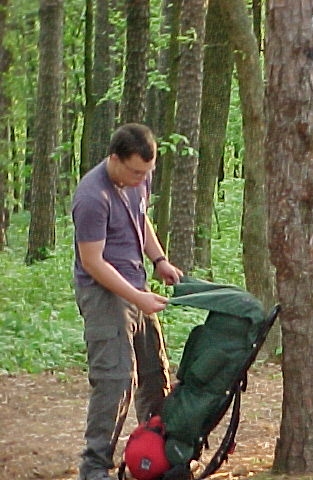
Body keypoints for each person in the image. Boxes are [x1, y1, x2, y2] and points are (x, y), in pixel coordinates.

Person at [72, 123, 183, 480]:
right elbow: (92, 262)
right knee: (116, 378)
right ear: (115, 159)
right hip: (104, 293)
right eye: (135, 172)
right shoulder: (92, 197)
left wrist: (159, 260)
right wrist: (137, 298)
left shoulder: (138, 181)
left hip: (137, 286)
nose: (141, 179)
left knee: (154, 373)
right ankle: (94, 465)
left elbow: (141, 219)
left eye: (147, 172)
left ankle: (158, 449)